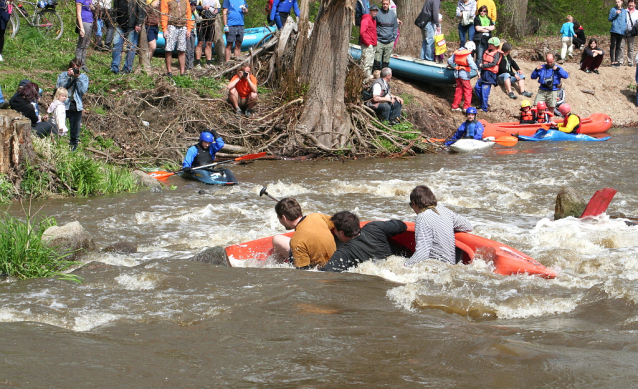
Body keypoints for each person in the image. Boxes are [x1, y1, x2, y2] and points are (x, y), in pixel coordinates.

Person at [404, 185, 473, 266]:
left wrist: (404, 266)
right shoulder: (444, 211)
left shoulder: (422, 217)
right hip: (450, 264)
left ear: (414, 203)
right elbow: (468, 226)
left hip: (436, 267)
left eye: (411, 205)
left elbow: (422, 255)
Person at [320, 212, 407, 273]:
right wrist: (382, 223)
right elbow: (402, 225)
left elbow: (325, 274)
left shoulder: (343, 253)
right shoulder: (375, 227)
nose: (334, 231)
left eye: (335, 229)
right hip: (401, 265)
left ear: (342, 233)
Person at [272, 198, 336, 269]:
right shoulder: (317, 216)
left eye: (279, 218)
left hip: (319, 269)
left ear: (284, 218)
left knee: (276, 239)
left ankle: (272, 266)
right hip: (334, 260)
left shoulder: (296, 241)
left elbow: (303, 271)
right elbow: (339, 222)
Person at [57, 58, 89, 151]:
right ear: (69, 68)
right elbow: (59, 88)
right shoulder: (63, 75)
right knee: (58, 127)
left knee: (75, 132)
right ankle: (57, 147)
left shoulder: (83, 77)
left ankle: (73, 149)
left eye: (77, 68)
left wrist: (77, 77)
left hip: (76, 107)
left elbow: (83, 90)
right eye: (73, 68)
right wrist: (68, 76)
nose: (75, 70)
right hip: (63, 105)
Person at [162, 0, 194, 76]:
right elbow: (164, 14)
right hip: (171, 26)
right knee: (169, 49)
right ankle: (169, 71)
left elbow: (188, 14)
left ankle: (182, 72)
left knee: (182, 50)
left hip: (183, 26)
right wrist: (165, 29)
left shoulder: (185, 1)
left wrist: (189, 29)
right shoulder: (165, 0)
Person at [448, 41, 478, 112]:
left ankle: (455, 106)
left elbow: (449, 61)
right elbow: (472, 64)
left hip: (457, 74)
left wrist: (453, 66)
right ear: (471, 48)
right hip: (464, 75)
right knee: (468, 90)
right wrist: (477, 71)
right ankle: (466, 107)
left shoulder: (457, 52)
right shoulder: (467, 54)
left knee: (459, 89)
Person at [474, 36, 501, 112]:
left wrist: (483, 65)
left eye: (491, 44)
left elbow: (494, 63)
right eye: (489, 44)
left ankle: (484, 107)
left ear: (495, 45)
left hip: (490, 74)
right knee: (477, 87)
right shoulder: (487, 51)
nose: (489, 45)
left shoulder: (497, 54)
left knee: (484, 90)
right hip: (483, 72)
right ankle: (482, 103)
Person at [194, 0, 221, 68]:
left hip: (211, 21)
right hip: (201, 20)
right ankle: (197, 63)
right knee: (200, 42)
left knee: (209, 42)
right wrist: (203, 7)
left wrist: (217, 11)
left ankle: (208, 62)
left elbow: (218, 8)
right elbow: (194, 6)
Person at [374, 0, 398, 71]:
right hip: (379, 41)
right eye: (384, 4)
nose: (385, 5)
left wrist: (393, 38)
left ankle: (383, 79)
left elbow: (395, 27)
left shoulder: (393, 14)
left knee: (386, 64)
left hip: (389, 42)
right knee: (376, 62)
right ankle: (375, 77)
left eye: (386, 4)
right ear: (382, 4)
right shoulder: (377, 14)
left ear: (389, 4)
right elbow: (374, 26)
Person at [360, 5, 378, 79]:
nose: (374, 12)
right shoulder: (366, 19)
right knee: (365, 63)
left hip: (373, 45)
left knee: (370, 64)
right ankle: (362, 80)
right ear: (370, 11)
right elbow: (362, 32)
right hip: (367, 45)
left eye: (376, 10)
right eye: (373, 10)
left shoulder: (373, 20)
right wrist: (368, 43)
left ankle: (367, 80)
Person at [75, 0, 94, 72]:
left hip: (90, 22)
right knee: (81, 44)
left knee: (86, 45)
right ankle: (77, 65)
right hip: (84, 22)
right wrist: (81, 27)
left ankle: (83, 64)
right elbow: (78, 14)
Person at [609, 0, 627, 68]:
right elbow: (610, 19)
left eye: (618, 2)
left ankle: (616, 60)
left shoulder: (624, 11)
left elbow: (625, 20)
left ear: (621, 2)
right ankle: (612, 60)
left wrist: (624, 27)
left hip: (621, 31)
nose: (617, 3)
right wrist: (615, 14)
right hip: (614, 30)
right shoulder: (613, 9)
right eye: (616, 2)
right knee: (613, 45)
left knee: (618, 46)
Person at [142, 0, 161, 64]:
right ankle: (146, 63)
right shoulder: (148, 3)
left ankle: (148, 63)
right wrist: (151, 6)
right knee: (153, 46)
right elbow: (144, 10)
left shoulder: (159, 3)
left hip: (155, 26)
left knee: (151, 48)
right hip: (149, 26)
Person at [623, 0, 638, 66]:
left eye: (632, 3)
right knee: (621, 47)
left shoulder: (637, 12)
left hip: (632, 32)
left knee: (631, 48)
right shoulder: (624, 11)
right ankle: (620, 61)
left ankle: (630, 62)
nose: (631, 4)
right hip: (623, 31)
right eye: (630, 3)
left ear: (635, 4)